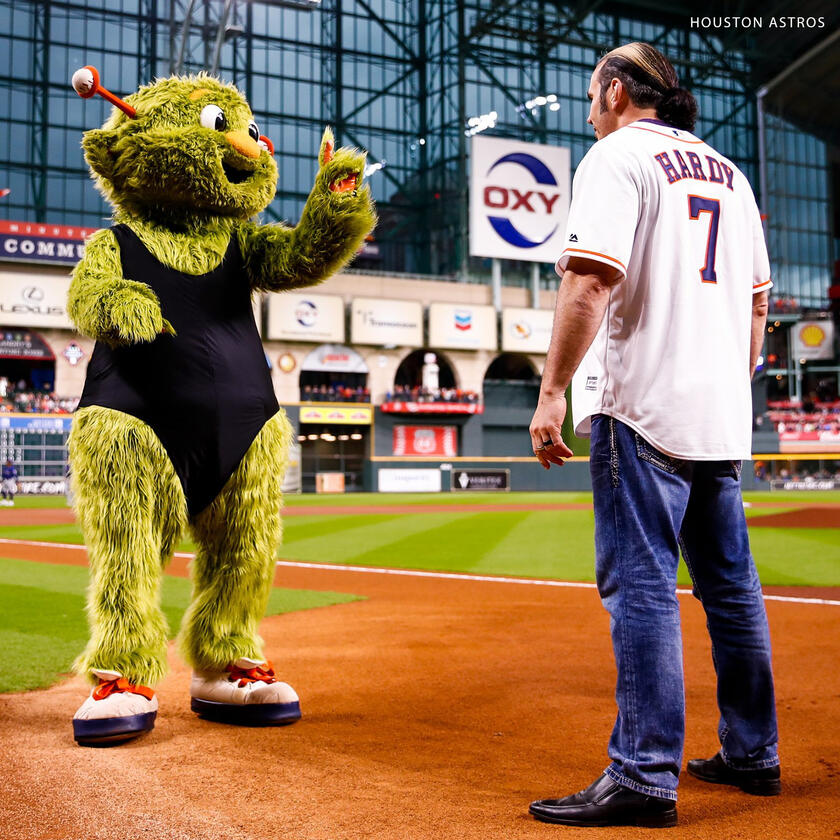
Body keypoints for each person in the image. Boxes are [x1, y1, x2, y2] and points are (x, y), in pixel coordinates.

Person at [527, 42, 778, 828]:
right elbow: (759, 307)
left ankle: (641, 773)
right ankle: (752, 753)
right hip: (720, 414)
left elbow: (590, 280)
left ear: (615, 91)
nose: (590, 104)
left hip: (641, 408)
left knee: (640, 587)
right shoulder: (731, 175)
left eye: (592, 90)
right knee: (731, 591)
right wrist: (723, 384)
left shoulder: (616, 156)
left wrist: (553, 390)